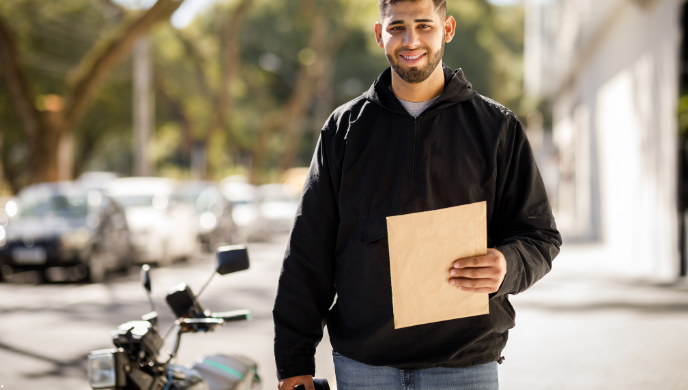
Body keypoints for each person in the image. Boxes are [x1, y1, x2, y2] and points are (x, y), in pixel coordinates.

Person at [273, 0, 562, 389]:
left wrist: (507, 264)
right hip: (364, 366)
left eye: (424, 25)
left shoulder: (497, 128)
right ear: (380, 35)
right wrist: (294, 362)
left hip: (465, 366)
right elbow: (309, 250)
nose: (411, 40)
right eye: (397, 28)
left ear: (448, 29)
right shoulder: (344, 129)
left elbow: (540, 235)